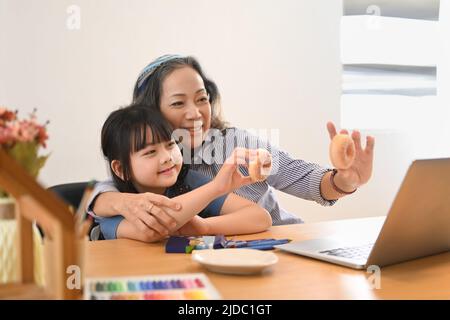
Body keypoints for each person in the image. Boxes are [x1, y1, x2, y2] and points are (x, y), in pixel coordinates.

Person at [86, 54, 375, 242]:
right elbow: (99, 195)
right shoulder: (160, 171)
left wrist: (343, 181)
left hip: (282, 240)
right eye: (178, 103)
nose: (196, 113)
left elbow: (301, 178)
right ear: (150, 113)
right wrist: (121, 203)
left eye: (202, 99)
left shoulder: (233, 144)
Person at [93, 104, 272, 241]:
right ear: (121, 169)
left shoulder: (188, 180)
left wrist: (205, 227)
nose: (167, 157)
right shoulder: (116, 202)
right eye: (150, 152)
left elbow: (260, 217)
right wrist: (215, 188)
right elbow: (152, 231)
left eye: (170, 145)